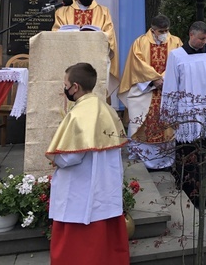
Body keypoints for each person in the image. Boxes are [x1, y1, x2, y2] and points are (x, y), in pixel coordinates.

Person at [45, 62, 129, 264]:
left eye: (65, 84)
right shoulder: (106, 108)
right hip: (105, 184)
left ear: (75, 87)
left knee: (78, 246)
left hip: (80, 187)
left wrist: (56, 159)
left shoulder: (78, 113)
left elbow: (71, 156)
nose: (64, 88)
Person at [161, 21, 206, 206]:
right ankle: (190, 193)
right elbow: (170, 85)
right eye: (201, 38)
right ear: (191, 35)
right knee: (190, 154)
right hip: (187, 114)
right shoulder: (177, 55)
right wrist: (171, 115)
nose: (204, 41)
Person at [118, 14, 183, 170]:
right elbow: (137, 64)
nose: (165, 34)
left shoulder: (176, 42)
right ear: (153, 30)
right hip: (145, 90)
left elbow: (179, 62)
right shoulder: (140, 43)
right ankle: (142, 158)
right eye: (161, 31)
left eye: (167, 30)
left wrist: (165, 79)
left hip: (167, 91)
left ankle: (166, 161)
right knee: (141, 122)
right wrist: (154, 79)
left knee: (168, 124)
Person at [52, 0, 118, 80]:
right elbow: (56, 33)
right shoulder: (62, 12)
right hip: (70, 55)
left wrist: (96, 36)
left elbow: (109, 34)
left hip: (95, 56)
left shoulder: (103, 11)